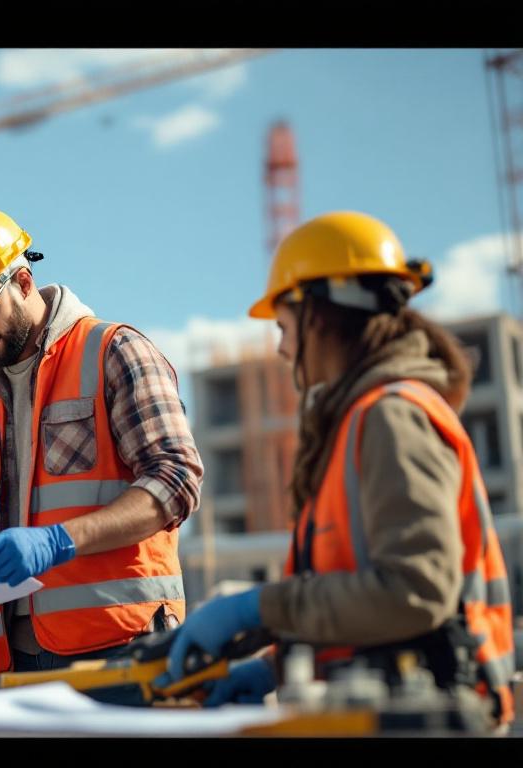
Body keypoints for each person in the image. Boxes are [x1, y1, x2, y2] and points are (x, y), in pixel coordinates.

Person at [153, 211, 515, 729]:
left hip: (436, 711)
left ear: (319, 315)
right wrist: (274, 668)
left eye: (284, 326)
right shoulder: (359, 421)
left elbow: (415, 593)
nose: (281, 348)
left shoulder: (391, 416)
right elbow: (368, 609)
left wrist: (261, 608)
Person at [0, 205, 203, 704]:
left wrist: (59, 541)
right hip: (17, 665)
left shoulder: (114, 351)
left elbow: (177, 481)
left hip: (125, 649)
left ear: (24, 281)